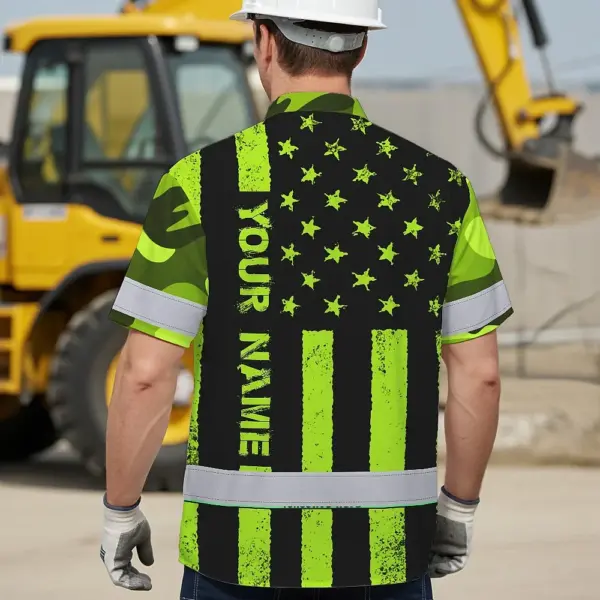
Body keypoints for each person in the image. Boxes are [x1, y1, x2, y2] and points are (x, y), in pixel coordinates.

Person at [100, 0, 513, 598]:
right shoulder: (441, 189)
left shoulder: (198, 183)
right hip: (387, 553)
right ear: (362, 48)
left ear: (265, 41)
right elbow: (480, 375)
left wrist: (121, 508)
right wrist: (459, 507)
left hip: (235, 555)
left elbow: (145, 373)